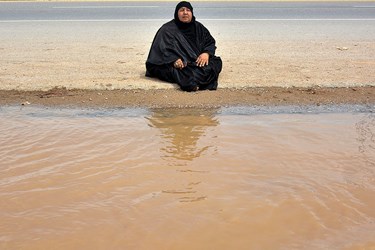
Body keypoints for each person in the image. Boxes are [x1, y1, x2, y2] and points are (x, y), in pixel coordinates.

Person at [145, 1, 222, 92]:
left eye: (188, 10)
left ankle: (191, 80)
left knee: (216, 62)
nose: (185, 12)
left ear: (191, 13)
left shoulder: (199, 27)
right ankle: (190, 83)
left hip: (195, 62)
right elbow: (159, 51)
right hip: (177, 65)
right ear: (177, 13)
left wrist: (206, 53)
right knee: (173, 70)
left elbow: (209, 42)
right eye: (182, 10)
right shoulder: (167, 29)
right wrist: (173, 60)